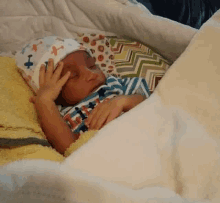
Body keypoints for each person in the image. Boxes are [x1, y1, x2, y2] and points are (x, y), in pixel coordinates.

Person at [19, 36, 151, 155]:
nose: (91, 74)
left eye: (92, 65)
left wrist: (123, 101)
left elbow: (152, 102)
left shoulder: (113, 84)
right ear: (54, 90)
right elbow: (69, 148)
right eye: (74, 75)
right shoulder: (58, 117)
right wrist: (45, 102)